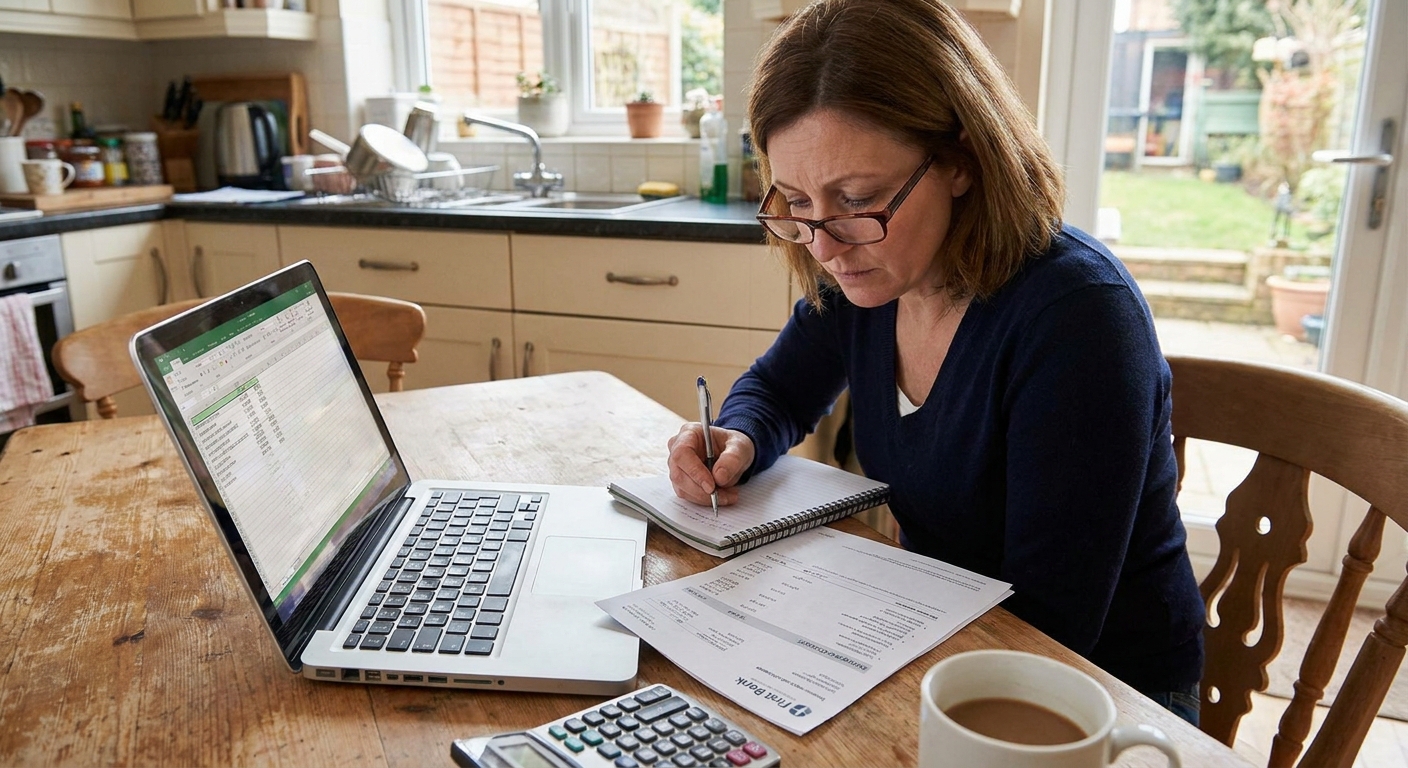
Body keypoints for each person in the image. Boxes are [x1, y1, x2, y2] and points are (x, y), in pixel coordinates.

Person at [665, 0, 1205, 725]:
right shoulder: (871, 275)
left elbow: (1051, 620)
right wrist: (739, 435)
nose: (822, 246)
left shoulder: (1077, 318)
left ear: (959, 160)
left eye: (857, 199)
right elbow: (778, 387)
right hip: (944, 639)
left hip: (1101, 696)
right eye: (796, 202)